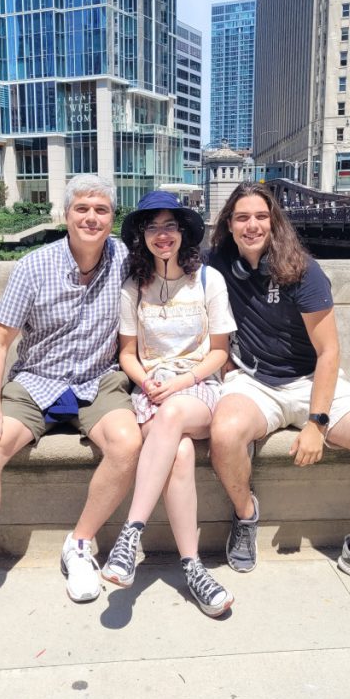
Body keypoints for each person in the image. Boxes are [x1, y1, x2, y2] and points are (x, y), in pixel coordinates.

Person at [0, 174, 142, 658]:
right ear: (66, 214)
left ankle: (80, 544)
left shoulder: (126, 261)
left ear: (111, 217)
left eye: (100, 209)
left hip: (98, 380)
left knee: (127, 443)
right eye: (82, 209)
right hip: (36, 380)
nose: (91, 217)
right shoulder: (33, 267)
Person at [206, 182, 350, 600]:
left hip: (311, 381)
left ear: (274, 222)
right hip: (253, 381)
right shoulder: (216, 263)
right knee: (224, 435)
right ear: (229, 225)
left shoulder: (302, 268)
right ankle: (246, 516)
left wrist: (317, 424)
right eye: (242, 217)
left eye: (261, 217)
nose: (252, 225)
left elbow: (328, 351)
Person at [100, 192, 237, 617]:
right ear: (142, 235)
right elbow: (127, 354)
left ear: (183, 234)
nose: (163, 235)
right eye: (154, 227)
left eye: (170, 226)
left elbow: (219, 351)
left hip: (198, 388)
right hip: (152, 391)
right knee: (177, 453)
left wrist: (182, 380)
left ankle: (131, 533)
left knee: (176, 414)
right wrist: (147, 381)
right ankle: (193, 567)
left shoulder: (209, 281)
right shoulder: (132, 288)